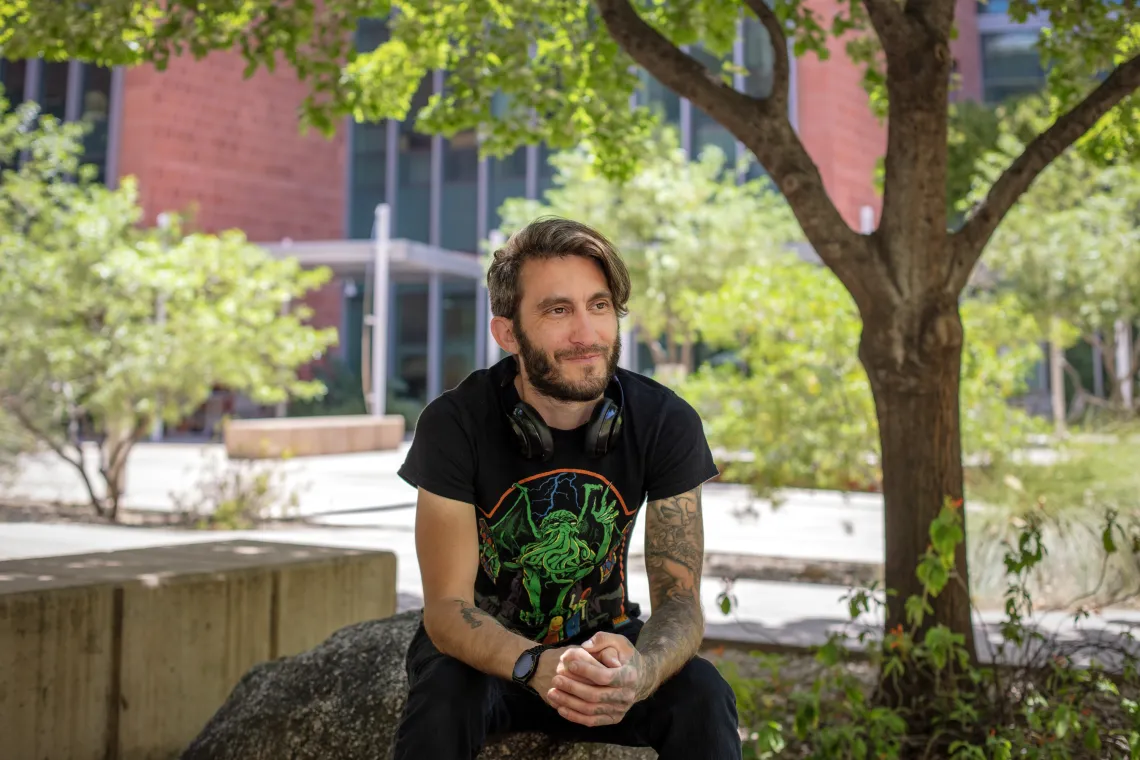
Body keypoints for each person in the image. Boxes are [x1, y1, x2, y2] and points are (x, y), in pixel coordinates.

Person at [392, 216, 742, 759]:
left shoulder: (664, 421)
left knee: (704, 694)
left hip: (607, 655)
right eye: (558, 310)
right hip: (488, 664)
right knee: (444, 695)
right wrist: (534, 663)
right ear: (507, 332)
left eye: (599, 306)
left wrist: (641, 672)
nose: (587, 333)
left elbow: (680, 603)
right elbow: (445, 608)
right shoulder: (455, 424)